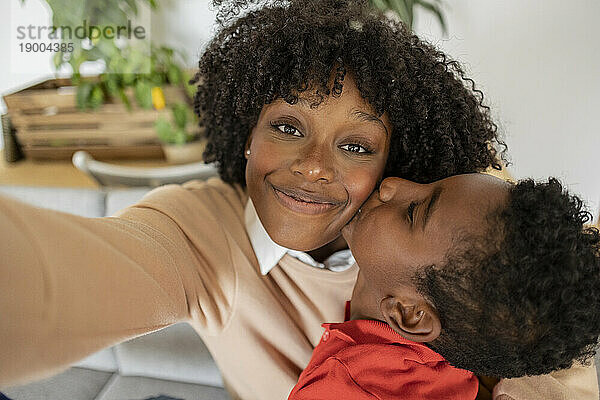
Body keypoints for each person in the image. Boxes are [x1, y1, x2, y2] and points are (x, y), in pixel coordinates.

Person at [0, 0, 596, 399]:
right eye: (286, 126)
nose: (312, 165)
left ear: (394, 161)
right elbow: (47, 283)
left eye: (357, 144)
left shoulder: (460, 233)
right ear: (246, 131)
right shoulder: (199, 228)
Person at [288, 173, 600, 399]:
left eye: (412, 213)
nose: (391, 184)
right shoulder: (454, 342)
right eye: (428, 184)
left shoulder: (340, 390)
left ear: (410, 315)